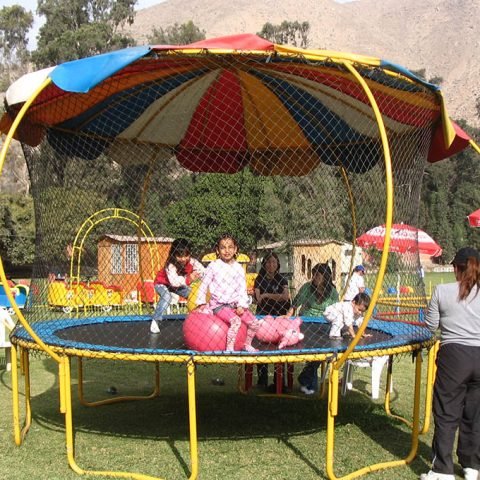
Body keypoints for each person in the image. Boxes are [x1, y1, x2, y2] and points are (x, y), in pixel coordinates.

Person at [421, 247, 480, 480]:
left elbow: (430, 326)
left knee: (446, 412)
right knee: (475, 415)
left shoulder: (442, 291)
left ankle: (443, 469)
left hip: (454, 357)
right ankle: (471, 465)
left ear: (456, 268)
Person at [195, 233, 261, 352]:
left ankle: (247, 344)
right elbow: (204, 285)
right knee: (236, 321)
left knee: (255, 323)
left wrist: (241, 305)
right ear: (217, 250)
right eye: (223, 247)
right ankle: (229, 349)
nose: (227, 250)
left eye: (230, 247)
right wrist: (201, 302)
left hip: (235, 305)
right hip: (219, 306)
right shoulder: (213, 266)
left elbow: (242, 289)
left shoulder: (238, 268)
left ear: (235, 249)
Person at [285, 263, 339, 394]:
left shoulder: (332, 292)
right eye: (313, 274)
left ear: (326, 277)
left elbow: (336, 311)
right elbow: (295, 305)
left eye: (317, 275)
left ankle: (305, 377)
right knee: (315, 351)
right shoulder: (307, 288)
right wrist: (286, 319)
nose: (314, 277)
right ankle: (310, 384)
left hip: (324, 326)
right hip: (306, 324)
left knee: (322, 352)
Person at [150, 238, 204, 334]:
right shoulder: (170, 265)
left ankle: (199, 317)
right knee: (167, 296)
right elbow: (174, 282)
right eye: (179, 256)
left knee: (193, 294)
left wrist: (203, 277)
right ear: (174, 255)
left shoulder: (192, 262)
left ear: (190, 254)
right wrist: (189, 278)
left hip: (176, 285)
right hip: (162, 283)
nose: (183, 259)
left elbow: (203, 271)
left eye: (186, 255)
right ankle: (155, 320)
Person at [254, 252, 291, 390]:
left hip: (279, 316)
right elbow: (258, 298)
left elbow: (285, 297)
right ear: (264, 264)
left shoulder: (282, 279)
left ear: (278, 264)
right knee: (261, 347)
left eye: (274, 262)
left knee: (280, 348)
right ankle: (262, 380)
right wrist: (269, 296)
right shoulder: (259, 279)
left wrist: (267, 295)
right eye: (268, 262)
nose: (271, 265)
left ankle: (279, 381)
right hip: (263, 316)